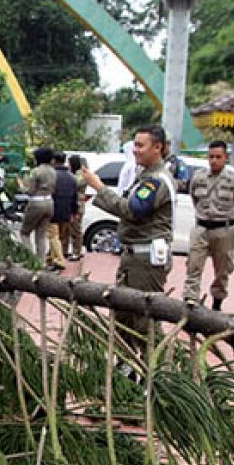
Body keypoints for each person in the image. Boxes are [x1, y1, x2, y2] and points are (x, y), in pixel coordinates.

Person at [82, 126, 175, 343]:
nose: (135, 150)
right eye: (134, 144)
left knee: (144, 320)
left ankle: (154, 371)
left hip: (146, 260)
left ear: (157, 147)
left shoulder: (157, 180)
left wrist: (99, 188)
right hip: (133, 257)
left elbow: (133, 211)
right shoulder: (145, 176)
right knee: (123, 318)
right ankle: (129, 369)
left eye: (141, 145)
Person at [183, 141, 234, 311]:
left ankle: (217, 302)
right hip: (202, 228)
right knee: (193, 265)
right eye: (211, 157)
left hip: (223, 230)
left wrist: (229, 221)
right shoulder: (198, 177)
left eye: (218, 157)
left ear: (226, 158)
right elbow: (194, 198)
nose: (214, 160)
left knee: (222, 269)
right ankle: (191, 298)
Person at [21, 148, 56, 265]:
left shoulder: (36, 171)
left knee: (24, 232)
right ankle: (41, 263)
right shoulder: (53, 171)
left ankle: (29, 260)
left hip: (36, 202)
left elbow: (30, 191)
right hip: (49, 202)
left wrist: (21, 186)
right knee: (41, 235)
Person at [48, 152, 77, 271]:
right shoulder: (72, 177)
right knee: (59, 237)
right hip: (66, 211)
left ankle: (59, 260)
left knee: (53, 236)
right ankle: (50, 258)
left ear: (54, 160)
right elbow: (74, 197)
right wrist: (73, 213)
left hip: (54, 210)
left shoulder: (52, 175)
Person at [67, 155, 89, 260]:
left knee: (76, 229)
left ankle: (77, 251)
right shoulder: (75, 174)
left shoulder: (80, 175)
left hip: (78, 204)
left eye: (69, 163)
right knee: (72, 229)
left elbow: (76, 183)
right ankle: (74, 250)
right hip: (73, 204)